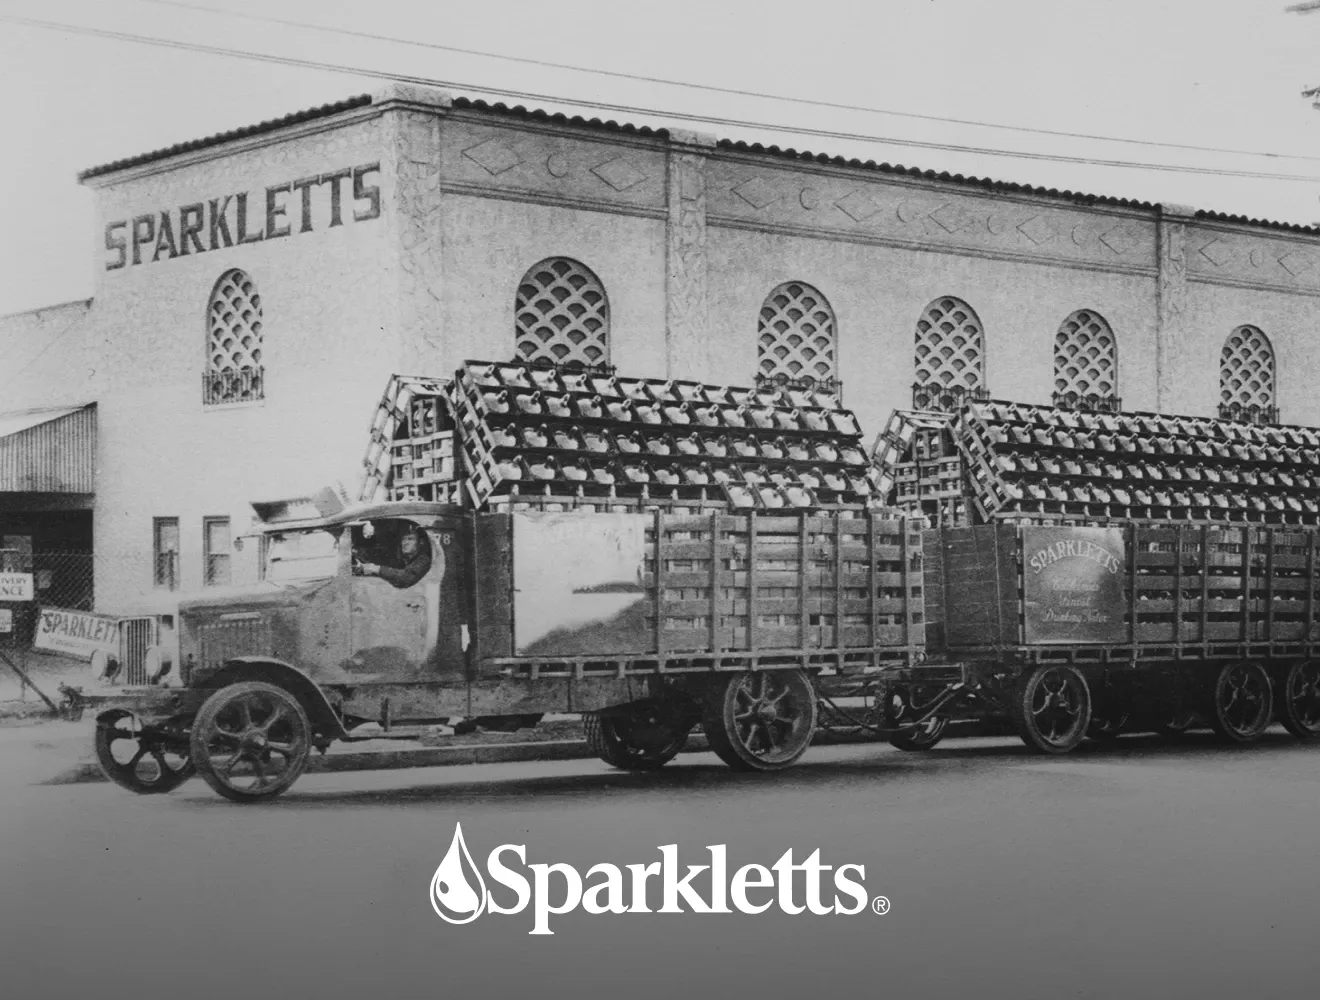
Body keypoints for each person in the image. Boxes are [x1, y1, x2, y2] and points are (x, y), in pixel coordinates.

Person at [355, 524, 432, 589]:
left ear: (421, 542)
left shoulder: (424, 560)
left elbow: (406, 577)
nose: (405, 543)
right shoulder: (405, 560)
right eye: (403, 539)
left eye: (410, 539)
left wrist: (376, 569)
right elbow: (391, 568)